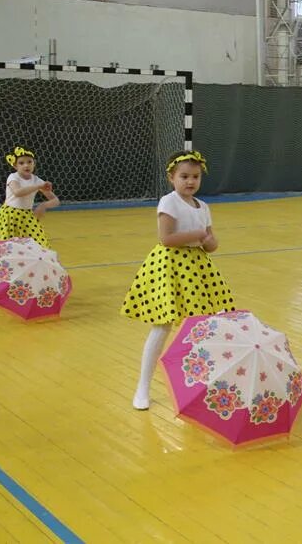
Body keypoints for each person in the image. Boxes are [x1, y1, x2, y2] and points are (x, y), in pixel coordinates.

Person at [121, 150, 235, 410]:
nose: (190, 181)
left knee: (201, 326)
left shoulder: (203, 207)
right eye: (184, 176)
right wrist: (196, 233)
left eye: (195, 176)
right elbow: (167, 238)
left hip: (197, 268)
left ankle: (199, 383)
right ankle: (143, 387)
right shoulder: (168, 202)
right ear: (172, 177)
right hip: (171, 266)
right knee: (162, 326)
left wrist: (210, 241)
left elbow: (210, 243)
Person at [0, 146, 60, 307]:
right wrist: (38, 187)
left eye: (29, 162)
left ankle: (35, 289)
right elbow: (18, 192)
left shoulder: (37, 180)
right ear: (15, 166)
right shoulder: (12, 177)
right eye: (21, 163)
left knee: (41, 251)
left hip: (27, 219)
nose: (26, 165)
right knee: (0, 255)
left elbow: (56, 200)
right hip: (9, 217)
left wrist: (44, 205)